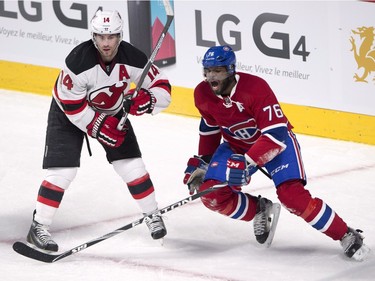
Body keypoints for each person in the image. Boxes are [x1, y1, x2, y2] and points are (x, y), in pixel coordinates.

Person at [183, 45, 370, 261]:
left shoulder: (255, 88)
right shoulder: (202, 93)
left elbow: (275, 133)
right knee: (211, 193)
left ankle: (346, 234)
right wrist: (204, 163)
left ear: (231, 69)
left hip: (275, 144)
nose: (211, 76)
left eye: (218, 71)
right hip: (236, 147)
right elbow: (210, 127)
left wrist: (247, 162)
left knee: (292, 197)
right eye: (207, 71)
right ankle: (259, 210)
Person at [25, 9, 171, 252]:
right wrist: (98, 125)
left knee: (133, 167)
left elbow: (163, 88)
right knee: (63, 172)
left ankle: (152, 214)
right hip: (67, 114)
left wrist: (147, 100)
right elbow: (71, 104)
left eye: (112, 36)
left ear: (119, 36)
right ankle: (38, 226)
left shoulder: (133, 57)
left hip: (113, 111)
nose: (106, 43)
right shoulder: (78, 61)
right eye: (101, 37)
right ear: (93, 37)